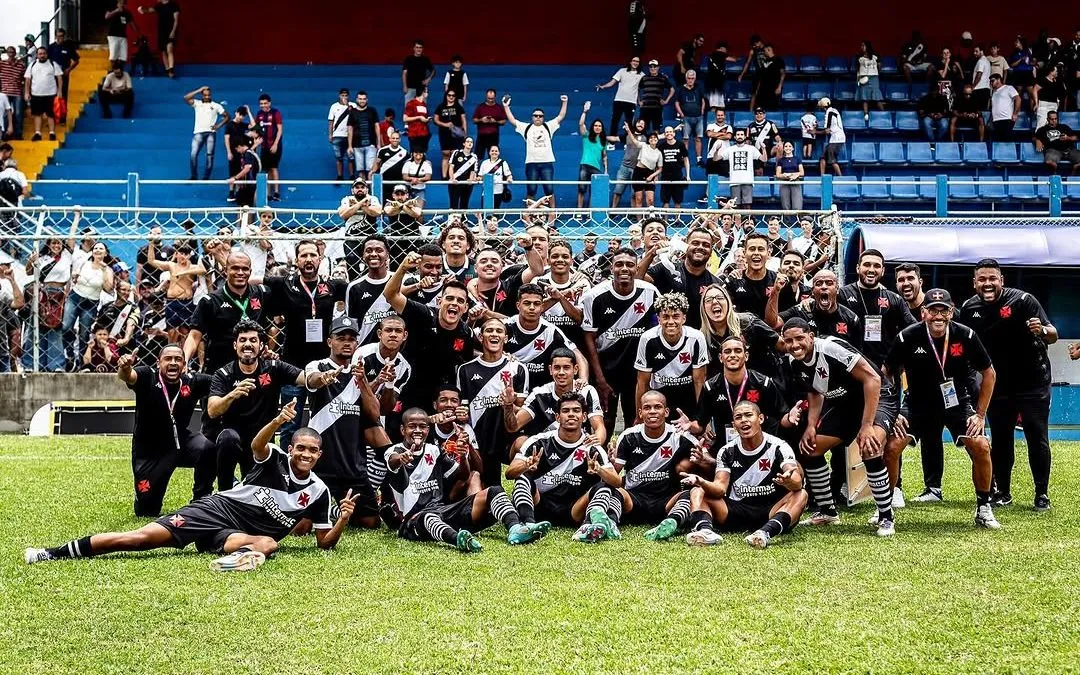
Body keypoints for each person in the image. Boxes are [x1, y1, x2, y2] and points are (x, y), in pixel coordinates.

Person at [25, 401, 355, 571]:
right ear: (292, 447)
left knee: (268, 543)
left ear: (319, 454)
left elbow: (324, 543)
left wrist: (341, 519)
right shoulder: (275, 458)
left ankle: (232, 559)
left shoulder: (318, 492)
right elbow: (257, 445)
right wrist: (278, 422)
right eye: (301, 448)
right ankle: (52, 553)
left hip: (235, 536)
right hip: (216, 510)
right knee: (141, 539)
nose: (305, 454)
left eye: (312, 450)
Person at [883, 289, 999, 528]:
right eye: (933, 310)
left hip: (955, 402)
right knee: (892, 446)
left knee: (981, 446)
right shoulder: (907, 337)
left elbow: (989, 373)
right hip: (916, 403)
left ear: (951, 311)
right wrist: (893, 413)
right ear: (924, 312)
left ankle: (984, 507)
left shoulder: (965, 335)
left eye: (943, 310)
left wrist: (979, 415)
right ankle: (885, 508)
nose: (938, 316)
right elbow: (886, 374)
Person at [782, 318, 899, 535]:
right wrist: (810, 425)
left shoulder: (830, 348)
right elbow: (815, 391)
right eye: (789, 341)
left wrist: (866, 425)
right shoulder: (793, 362)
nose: (795, 344)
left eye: (799, 338)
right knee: (812, 447)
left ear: (811, 336)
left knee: (869, 446)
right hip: (846, 403)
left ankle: (885, 516)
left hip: (878, 395)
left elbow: (873, 379)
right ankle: (827, 512)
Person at [957, 259, 1056, 511]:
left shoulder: (1023, 301)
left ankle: (1041, 493)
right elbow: (966, 347)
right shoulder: (969, 308)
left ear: (1002, 280)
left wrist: (1041, 330)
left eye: (992, 279)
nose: (987, 284)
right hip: (998, 384)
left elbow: (1052, 334)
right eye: (982, 279)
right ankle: (1003, 491)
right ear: (974, 283)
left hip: (1033, 380)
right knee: (1001, 438)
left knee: (1036, 434)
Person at [386, 408, 549, 551]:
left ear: (428, 430)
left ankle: (515, 529)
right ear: (402, 429)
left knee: (494, 491)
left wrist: (463, 455)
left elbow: (463, 475)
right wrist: (401, 458)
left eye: (422, 426)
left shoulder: (433, 450)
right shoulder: (395, 450)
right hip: (412, 520)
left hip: (442, 511)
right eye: (412, 426)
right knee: (428, 517)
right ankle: (458, 540)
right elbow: (392, 460)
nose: (417, 430)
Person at [207, 320, 338, 490]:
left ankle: (244, 487)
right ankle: (224, 493)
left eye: (253, 340)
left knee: (255, 493)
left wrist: (321, 378)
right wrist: (232, 394)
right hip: (233, 440)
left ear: (261, 345)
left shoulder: (274, 368)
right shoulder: (224, 373)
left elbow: (305, 379)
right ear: (235, 345)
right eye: (243, 340)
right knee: (228, 438)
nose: (248, 344)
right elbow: (212, 410)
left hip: (260, 442)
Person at [677, 400, 807, 548]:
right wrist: (702, 482)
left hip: (771, 510)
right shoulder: (727, 451)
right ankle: (705, 532)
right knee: (697, 491)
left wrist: (790, 481)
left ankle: (765, 533)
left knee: (801, 494)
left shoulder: (779, 446)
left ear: (761, 419)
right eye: (738, 417)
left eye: (748, 415)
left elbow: (796, 479)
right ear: (734, 424)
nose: (743, 420)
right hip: (735, 510)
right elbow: (720, 489)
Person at [304, 315, 391, 529]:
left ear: (357, 343)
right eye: (340, 337)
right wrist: (324, 378)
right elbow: (311, 380)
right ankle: (331, 510)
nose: (346, 342)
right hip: (321, 464)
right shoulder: (318, 365)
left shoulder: (358, 374)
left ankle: (337, 511)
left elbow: (374, 413)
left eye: (351, 339)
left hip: (352, 464)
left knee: (370, 522)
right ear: (329, 341)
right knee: (302, 527)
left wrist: (363, 382)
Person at [261, 239, 348, 446]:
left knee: (325, 420)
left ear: (320, 259)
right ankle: (283, 468)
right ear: (296, 260)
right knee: (289, 422)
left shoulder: (333, 286)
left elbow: (357, 294)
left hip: (325, 365)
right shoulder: (284, 284)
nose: (308, 259)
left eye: (312, 255)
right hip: (292, 365)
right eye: (304, 255)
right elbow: (252, 281)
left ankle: (322, 467)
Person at [114, 345, 214, 516]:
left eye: (178, 359)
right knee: (147, 510)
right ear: (158, 363)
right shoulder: (147, 376)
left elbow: (223, 380)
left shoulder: (193, 381)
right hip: (149, 451)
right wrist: (124, 366)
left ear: (184, 364)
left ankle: (201, 500)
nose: (173, 363)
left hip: (180, 442)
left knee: (207, 449)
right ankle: (143, 499)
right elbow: (128, 377)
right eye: (168, 359)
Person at [507, 393, 618, 541]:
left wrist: (599, 470)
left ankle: (587, 527)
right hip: (540, 506)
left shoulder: (593, 448)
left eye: (576, 410)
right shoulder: (538, 442)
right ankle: (527, 525)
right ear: (557, 417)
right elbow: (509, 473)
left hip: (575, 510)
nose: (571, 414)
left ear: (584, 417)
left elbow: (617, 482)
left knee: (604, 486)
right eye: (565, 411)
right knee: (522, 478)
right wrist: (525, 465)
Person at [383, 252, 479, 414]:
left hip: (439, 400)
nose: (454, 303)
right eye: (449, 298)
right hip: (407, 390)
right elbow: (390, 295)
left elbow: (470, 357)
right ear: (440, 302)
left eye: (460, 301)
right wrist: (403, 268)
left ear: (465, 308)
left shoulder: (465, 332)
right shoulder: (422, 314)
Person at [581, 248, 659, 432]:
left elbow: (658, 331)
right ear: (611, 267)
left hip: (638, 372)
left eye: (630, 265)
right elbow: (589, 338)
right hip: (607, 371)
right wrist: (599, 378)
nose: (624, 268)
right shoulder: (594, 296)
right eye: (619, 264)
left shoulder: (650, 292)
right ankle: (602, 459)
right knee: (605, 421)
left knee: (637, 419)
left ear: (637, 267)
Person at [684, 334, 793, 443]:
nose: (732, 355)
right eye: (727, 351)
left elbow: (782, 417)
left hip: (761, 447)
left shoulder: (763, 383)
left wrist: (790, 418)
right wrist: (689, 425)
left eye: (737, 351)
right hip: (726, 449)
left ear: (746, 356)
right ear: (720, 358)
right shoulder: (711, 387)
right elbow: (700, 425)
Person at [184, 251, 272, 373]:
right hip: (220, 369)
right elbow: (194, 336)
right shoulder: (210, 301)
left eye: (245, 269)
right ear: (225, 270)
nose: (240, 273)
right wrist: (184, 361)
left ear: (250, 272)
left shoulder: (263, 294)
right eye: (235, 268)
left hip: (254, 368)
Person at [633, 292, 707, 420]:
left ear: (684, 318)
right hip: (659, 402)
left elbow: (699, 381)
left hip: (688, 400)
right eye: (666, 316)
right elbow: (642, 382)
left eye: (676, 316)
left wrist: (701, 419)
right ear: (658, 318)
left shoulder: (696, 338)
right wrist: (639, 418)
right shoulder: (648, 339)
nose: (671, 321)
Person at [839, 248, 916, 368]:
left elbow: (914, 330)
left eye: (876, 266)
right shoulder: (842, 295)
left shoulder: (894, 299)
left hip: (884, 368)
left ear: (883, 271)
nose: (871, 270)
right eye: (867, 265)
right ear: (858, 268)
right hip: (851, 366)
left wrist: (894, 361)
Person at [501, 284, 585, 388]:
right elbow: (476, 347)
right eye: (527, 303)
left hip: (540, 391)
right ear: (518, 305)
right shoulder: (504, 327)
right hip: (508, 388)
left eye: (536, 304)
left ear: (542, 307)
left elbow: (580, 357)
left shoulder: (550, 331)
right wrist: (500, 356)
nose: (532, 308)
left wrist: (583, 381)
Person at [635, 226, 716, 329]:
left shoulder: (715, 284)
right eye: (695, 243)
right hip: (666, 336)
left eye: (706, 245)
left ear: (711, 251)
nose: (700, 247)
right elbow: (637, 280)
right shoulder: (666, 269)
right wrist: (652, 253)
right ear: (686, 246)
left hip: (698, 338)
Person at [699, 284, 782, 380]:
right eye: (708, 300)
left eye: (719, 298)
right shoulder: (701, 337)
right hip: (727, 390)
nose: (714, 302)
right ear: (703, 308)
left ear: (728, 303)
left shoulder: (748, 322)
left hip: (761, 384)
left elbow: (781, 344)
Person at [504, 93, 568, 205]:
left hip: (547, 162)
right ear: (532, 117)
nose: (538, 117)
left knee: (549, 189)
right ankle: (528, 216)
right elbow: (513, 120)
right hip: (531, 163)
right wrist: (505, 106)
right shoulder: (526, 127)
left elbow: (560, 116)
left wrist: (565, 102)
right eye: (535, 115)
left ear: (543, 118)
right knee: (531, 189)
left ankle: (552, 215)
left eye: (540, 116)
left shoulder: (548, 126)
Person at [344, 234, 395, 344]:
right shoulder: (354, 287)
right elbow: (352, 325)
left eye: (379, 250)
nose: (373, 254)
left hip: (396, 350)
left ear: (387, 255)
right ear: (363, 256)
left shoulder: (398, 281)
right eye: (369, 250)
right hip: (365, 350)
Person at [726, 233, 776, 318]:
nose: (756, 253)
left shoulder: (776, 281)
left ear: (768, 253)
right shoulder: (733, 281)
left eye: (761, 249)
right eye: (752, 249)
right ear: (745, 253)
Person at [596, 57, 643, 145]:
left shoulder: (641, 74)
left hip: (631, 102)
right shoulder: (622, 71)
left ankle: (628, 141)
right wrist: (603, 86)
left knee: (629, 122)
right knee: (615, 120)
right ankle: (611, 142)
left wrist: (639, 101)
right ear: (630, 62)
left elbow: (638, 90)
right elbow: (613, 82)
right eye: (634, 61)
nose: (635, 63)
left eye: (637, 61)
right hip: (619, 100)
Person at [184, 86, 225, 180]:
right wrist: (199, 89)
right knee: (193, 154)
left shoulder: (216, 105)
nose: (207, 97)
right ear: (202, 95)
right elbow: (186, 98)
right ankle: (194, 176)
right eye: (205, 95)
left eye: (208, 95)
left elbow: (227, 116)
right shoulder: (197, 103)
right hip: (198, 132)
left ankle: (206, 177)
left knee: (209, 155)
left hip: (211, 133)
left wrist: (218, 126)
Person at [23, 48, 62, 142]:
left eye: (44, 53)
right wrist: (27, 92)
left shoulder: (53, 64)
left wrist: (59, 91)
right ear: (37, 55)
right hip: (36, 94)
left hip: (51, 94)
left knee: (51, 114)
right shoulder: (32, 65)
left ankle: (52, 133)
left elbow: (59, 78)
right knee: (37, 114)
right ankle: (37, 133)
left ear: (47, 54)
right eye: (40, 54)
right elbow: (27, 80)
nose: (42, 55)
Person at [137, 0, 180, 77]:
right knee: (163, 51)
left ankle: (171, 69)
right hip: (161, 32)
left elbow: (176, 20)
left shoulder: (174, 5)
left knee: (169, 49)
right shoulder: (159, 6)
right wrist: (142, 9)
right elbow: (149, 10)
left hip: (170, 31)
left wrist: (173, 31)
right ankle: (167, 70)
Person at [721, 129, 763, 207]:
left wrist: (763, 149)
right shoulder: (730, 149)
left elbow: (764, 159)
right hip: (734, 181)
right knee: (735, 206)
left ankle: (748, 219)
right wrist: (716, 150)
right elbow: (716, 159)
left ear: (744, 136)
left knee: (747, 205)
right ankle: (736, 220)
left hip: (747, 181)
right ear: (735, 137)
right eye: (738, 135)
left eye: (741, 134)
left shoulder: (751, 148)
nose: (739, 136)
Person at [576, 105, 607, 210]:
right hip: (585, 165)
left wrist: (606, 170)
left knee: (594, 191)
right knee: (581, 190)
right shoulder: (587, 136)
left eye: (599, 126)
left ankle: (590, 213)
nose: (597, 127)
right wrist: (584, 111)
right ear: (592, 127)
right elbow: (581, 124)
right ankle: (579, 213)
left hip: (596, 168)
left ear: (602, 128)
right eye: (595, 125)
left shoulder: (603, 141)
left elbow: (604, 157)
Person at [254, 94, 284, 201]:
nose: (263, 105)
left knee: (274, 168)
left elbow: (280, 130)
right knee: (266, 170)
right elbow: (256, 129)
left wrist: (275, 144)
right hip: (264, 147)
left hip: (275, 146)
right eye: (261, 104)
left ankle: (276, 192)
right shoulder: (259, 114)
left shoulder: (276, 113)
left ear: (269, 103)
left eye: (265, 103)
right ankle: (268, 193)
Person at [346, 91, 380, 182]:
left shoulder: (372, 110)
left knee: (371, 169)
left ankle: (370, 192)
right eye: (360, 99)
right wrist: (349, 146)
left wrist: (378, 143)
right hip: (357, 145)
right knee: (360, 170)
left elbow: (377, 127)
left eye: (364, 99)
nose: (362, 101)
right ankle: (364, 191)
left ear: (367, 100)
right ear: (357, 100)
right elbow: (350, 129)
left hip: (370, 145)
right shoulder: (352, 112)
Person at [625, 127, 661, 208]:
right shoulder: (644, 145)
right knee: (638, 199)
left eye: (655, 137)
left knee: (650, 200)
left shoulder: (659, 153)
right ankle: (640, 221)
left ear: (657, 140)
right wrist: (628, 130)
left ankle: (650, 220)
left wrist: (653, 176)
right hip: (638, 172)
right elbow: (634, 141)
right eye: (651, 138)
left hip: (650, 173)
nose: (653, 139)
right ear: (648, 140)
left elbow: (660, 168)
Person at [433, 89, 466, 178]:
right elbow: (435, 120)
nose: (451, 97)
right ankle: (444, 176)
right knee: (446, 154)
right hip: (444, 134)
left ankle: (453, 175)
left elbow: (463, 120)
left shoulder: (458, 107)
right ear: (446, 96)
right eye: (449, 95)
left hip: (456, 134)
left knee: (454, 154)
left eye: (453, 95)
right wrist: (445, 124)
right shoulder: (440, 107)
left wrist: (465, 134)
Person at [674, 70, 705, 164]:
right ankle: (684, 159)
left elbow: (703, 100)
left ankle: (699, 159)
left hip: (698, 117)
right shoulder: (680, 89)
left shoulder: (699, 88)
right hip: (686, 117)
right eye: (689, 78)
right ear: (686, 78)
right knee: (685, 139)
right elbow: (676, 102)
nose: (690, 80)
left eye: (692, 78)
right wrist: (681, 113)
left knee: (698, 138)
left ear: (695, 79)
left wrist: (702, 111)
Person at [46, 28, 79, 117]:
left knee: (63, 95)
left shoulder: (68, 47)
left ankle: (62, 117)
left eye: (61, 36)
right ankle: (51, 116)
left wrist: (69, 69)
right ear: (55, 36)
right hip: (52, 76)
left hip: (63, 74)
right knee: (51, 96)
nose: (60, 38)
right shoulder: (51, 47)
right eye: (58, 36)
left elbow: (76, 60)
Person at [637, 59, 673, 133]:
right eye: (651, 67)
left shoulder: (663, 78)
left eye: (655, 67)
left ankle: (654, 144)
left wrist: (666, 101)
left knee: (656, 129)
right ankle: (644, 144)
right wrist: (639, 101)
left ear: (658, 67)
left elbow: (672, 90)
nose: (653, 68)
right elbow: (637, 89)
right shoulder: (644, 78)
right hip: (645, 108)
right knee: (642, 128)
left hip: (657, 108)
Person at [657, 125, 689, 207]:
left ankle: (677, 220)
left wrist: (688, 175)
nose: (669, 133)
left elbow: (686, 160)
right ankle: (664, 220)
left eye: (670, 132)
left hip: (678, 177)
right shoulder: (661, 146)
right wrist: (656, 175)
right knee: (665, 201)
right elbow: (657, 161)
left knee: (678, 202)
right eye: (667, 132)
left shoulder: (680, 144)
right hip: (665, 177)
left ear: (674, 133)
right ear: (664, 134)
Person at [372, 130, 408, 202]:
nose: (395, 140)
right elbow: (377, 163)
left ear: (400, 140)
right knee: (384, 201)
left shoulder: (404, 152)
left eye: (397, 138)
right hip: (384, 181)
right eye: (393, 138)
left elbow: (407, 166)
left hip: (398, 181)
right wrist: (372, 172)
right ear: (390, 139)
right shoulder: (382, 150)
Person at [471, 89, 507, 161]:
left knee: (493, 156)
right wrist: (481, 120)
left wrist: (495, 121)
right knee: (477, 156)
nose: (490, 100)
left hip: (493, 135)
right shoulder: (480, 107)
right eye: (489, 98)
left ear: (495, 97)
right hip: (481, 135)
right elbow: (474, 120)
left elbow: (504, 121)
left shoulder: (499, 108)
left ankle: (492, 171)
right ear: (486, 97)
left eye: (492, 98)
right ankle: (476, 171)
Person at [327, 88, 352, 181]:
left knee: (351, 157)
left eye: (346, 95)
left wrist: (348, 106)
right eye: (342, 95)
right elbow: (331, 121)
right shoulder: (334, 106)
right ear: (339, 96)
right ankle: (340, 175)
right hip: (337, 134)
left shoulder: (353, 105)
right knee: (338, 157)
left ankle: (352, 175)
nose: (344, 97)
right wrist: (330, 134)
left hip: (349, 135)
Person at [752, 44, 786, 112]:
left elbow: (783, 74)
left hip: (773, 88)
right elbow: (761, 77)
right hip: (763, 89)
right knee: (761, 109)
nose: (764, 53)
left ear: (769, 50)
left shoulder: (778, 60)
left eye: (765, 51)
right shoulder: (764, 61)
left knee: (773, 108)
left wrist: (779, 87)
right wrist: (757, 90)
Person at [478, 144, 514, 209]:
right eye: (492, 151)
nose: (494, 152)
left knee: (495, 213)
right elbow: (480, 176)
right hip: (487, 191)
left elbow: (508, 175)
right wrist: (478, 178)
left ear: (499, 152)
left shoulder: (503, 163)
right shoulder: (484, 163)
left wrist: (509, 179)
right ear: (489, 152)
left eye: (496, 151)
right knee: (486, 214)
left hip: (498, 191)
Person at [703, 41, 736, 111]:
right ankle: (712, 119)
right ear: (722, 48)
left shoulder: (711, 55)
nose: (726, 51)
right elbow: (734, 60)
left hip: (712, 82)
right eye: (725, 49)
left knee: (716, 104)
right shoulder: (721, 54)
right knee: (716, 105)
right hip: (716, 82)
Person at [856, 40, 885, 120]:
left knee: (877, 97)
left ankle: (884, 114)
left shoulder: (875, 55)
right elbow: (858, 69)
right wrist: (858, 79)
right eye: (861, 46)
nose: (861, 47)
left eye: (863, 45)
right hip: (863, 78)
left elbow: (880, 66)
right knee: (865, 97)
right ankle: (866, 114)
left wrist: (874, 72)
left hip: (874, 78)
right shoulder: (859, 56)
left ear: (867, 46)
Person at [817, 97, 845, 176]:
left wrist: (815, 132)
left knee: (832, 159)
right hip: (837, 138)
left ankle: (840, 177)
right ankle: (822, 177)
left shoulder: (829, 113)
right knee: (823, 157)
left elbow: (827, 130)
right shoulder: (834, 110)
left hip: (836, 138)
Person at [989, 73, 1020, 141]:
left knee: (1006, 140)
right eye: (990, 81)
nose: (991, 83)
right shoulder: (994, 92)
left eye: (992, 81)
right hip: (996, 120)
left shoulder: (1008, 88)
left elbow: (1018, 99)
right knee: (998, 142)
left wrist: (1015, 113)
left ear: (998, 80)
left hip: (1006, 119)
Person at [402, 39, 434, 104]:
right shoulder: (408, 59)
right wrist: (405, 86)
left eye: (420, 47)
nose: (418, 49)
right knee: (408, 109)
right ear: (414, 48)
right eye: (417, 47)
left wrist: (428, 79)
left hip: (422, 89)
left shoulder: (425, 59)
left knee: (422, 110)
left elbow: (433, 70)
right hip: (410, 88)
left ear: (422, 49)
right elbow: (404, 73)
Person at [775, 141, 804, 211]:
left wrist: (795, 175)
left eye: (790, 146)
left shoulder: (797, 159)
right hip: (784, 183)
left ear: (793, 148)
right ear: (784, 148)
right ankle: (787, 222)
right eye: (786, 146)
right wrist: (785, 176)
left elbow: (802, 172)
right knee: (785, 206)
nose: (788, 148)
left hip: (795, 182)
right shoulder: (781, 160)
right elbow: (778, 174)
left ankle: (799, 221)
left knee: (797, 206)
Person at [104, 0, 134, 65]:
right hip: (113, 35)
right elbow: (106, 16)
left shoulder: (126, 12)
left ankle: (120, 71)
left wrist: (138, 33)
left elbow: (132, 23)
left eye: (123, 3)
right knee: (113, 56)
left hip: (123, 36)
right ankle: (114, 71)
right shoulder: (112, 7)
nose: (122, 4)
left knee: (123, 57)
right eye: (120, 2)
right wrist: (116, 11)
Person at [970, 44, 992, 110]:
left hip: (979, 90)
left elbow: (979, 74)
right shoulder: (987, 61)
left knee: (977, 111)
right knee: (983, 112)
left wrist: (973, 87)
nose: (974, 53)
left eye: (976, 51)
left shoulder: (981, 61)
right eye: (974, 51)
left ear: (981, 51)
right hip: (986, 89)